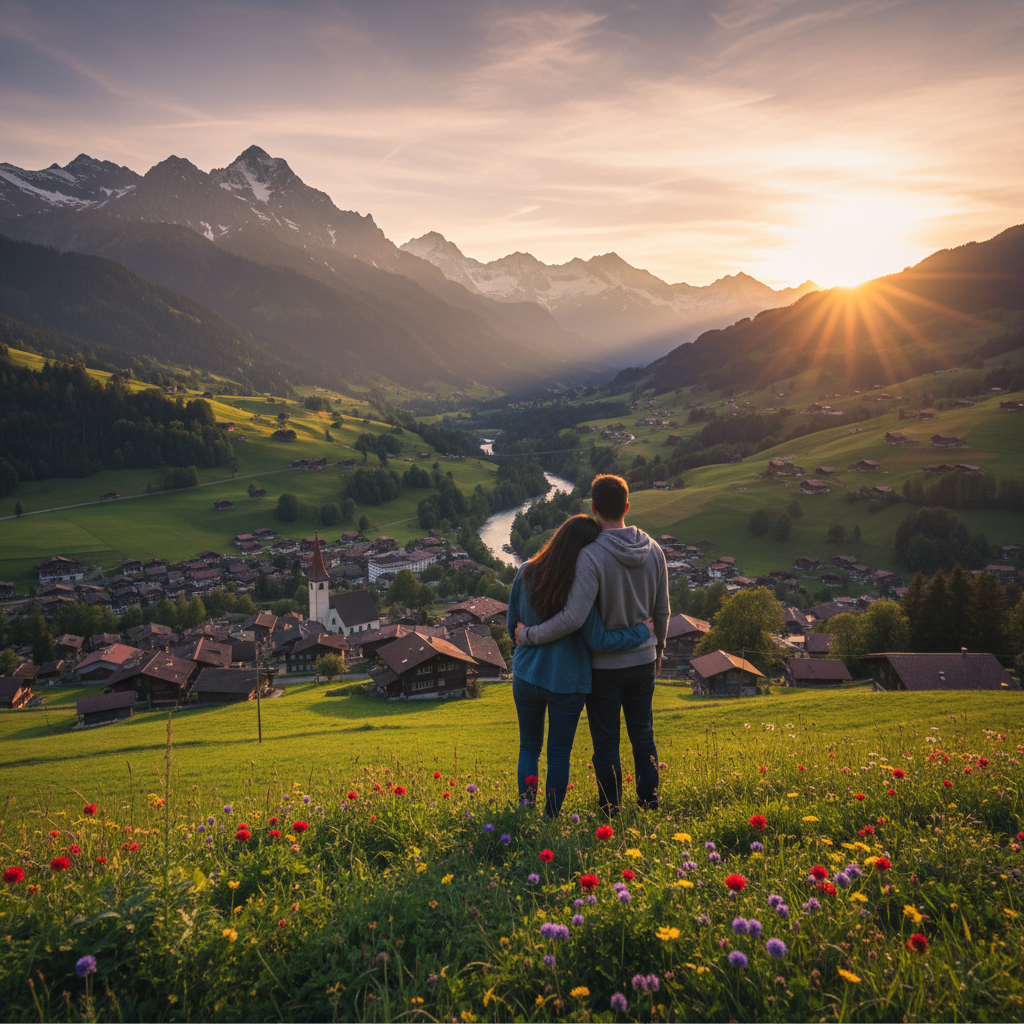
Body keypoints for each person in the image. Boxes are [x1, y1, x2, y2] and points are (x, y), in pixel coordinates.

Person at [516, 474, 669, 813]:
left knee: (606, 742)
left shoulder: (590, 555)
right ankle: (649, 801)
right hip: (643, 661)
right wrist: (657, 651)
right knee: (643, 735)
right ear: (627, 506)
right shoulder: (654, 550)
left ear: (593, 508)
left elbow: (573, 618)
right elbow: (662, 612)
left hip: (604, 666)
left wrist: (529, 636)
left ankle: (610, 808)